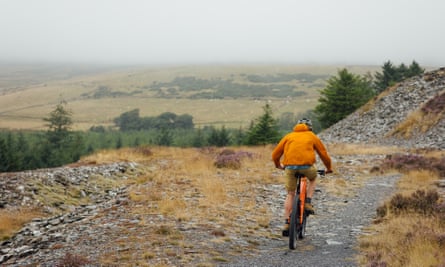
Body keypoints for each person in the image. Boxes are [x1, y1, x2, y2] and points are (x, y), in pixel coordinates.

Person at [271, 118, 333, 236]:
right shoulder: (312, 136)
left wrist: (278, 165)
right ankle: (308, 202)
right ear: (310, 127)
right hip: (307, 167)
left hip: (289, 168)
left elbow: (275, 154)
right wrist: (328, 168)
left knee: (290, 193)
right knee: (313, 178)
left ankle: (287, 223)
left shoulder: (289, 136)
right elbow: (323, 154)